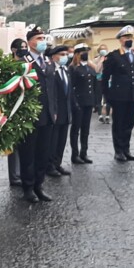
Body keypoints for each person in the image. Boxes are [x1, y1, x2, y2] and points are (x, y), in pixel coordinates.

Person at [17, 26, 57, 203]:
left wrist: (54, 110)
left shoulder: (47, 61)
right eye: (39, 38)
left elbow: (52, 89)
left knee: (43, 153)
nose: (43, 42)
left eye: (44, 38)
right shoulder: (23, 62)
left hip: (47, 115)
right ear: (30, 42)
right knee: (28, 154)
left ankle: (39, 186)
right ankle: (28, 188)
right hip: (30, 116)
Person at [103, 26, 134, 162]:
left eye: (130, 37)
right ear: (121, 40)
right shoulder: (114, 56)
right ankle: (118, 150)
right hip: (119, 95)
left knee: (129, 123)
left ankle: (126, 149)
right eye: (126, 37)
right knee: (119, 123)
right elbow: (105, 77)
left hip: (132, 94)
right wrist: (107, 96)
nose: (129, 40)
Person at [46, 45, 74, 176]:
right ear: (54, 57)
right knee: (53, 140)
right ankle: (50, 165)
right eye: (62, 54)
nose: (65, 57)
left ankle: (58, 163)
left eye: (66, 54)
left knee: (62, 140)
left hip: (66, 111)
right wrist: (53, 111)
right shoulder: (50, 70)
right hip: (56, 112)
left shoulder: (65, 70)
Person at [68, 43, 97, 164]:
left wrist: (95, 101)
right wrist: (74, 102)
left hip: (88, 102)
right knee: (76, 129)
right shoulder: (73, 68)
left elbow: (94, 85)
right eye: (82, 52)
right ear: (77, 54)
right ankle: (75, 155)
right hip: (78, 102)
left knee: (86, 129)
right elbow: (71, 87)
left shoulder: (90, 67)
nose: (85, 54)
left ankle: (84, 153)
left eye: (86, 52)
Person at [5, 39, 27, 186]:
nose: (24, 49)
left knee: (25, 143)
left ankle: (23, 172)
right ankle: (14, 175)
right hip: (13, 108)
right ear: (14, 49)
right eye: (21, 47)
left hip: (25, 108)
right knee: (14, 145)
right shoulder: (8, 66)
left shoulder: (27, 63)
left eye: (25, 47)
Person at [94, 44, 112, 124]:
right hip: (99, 80)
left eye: (104, 49)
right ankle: (100, 115)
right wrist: (101, 61)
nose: (103, 50)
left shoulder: (110, 58)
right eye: (101, 49)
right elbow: (97, 70)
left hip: (107, 81)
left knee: (108, 99)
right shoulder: (96, 59)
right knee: (99, 98)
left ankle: (107, 116)